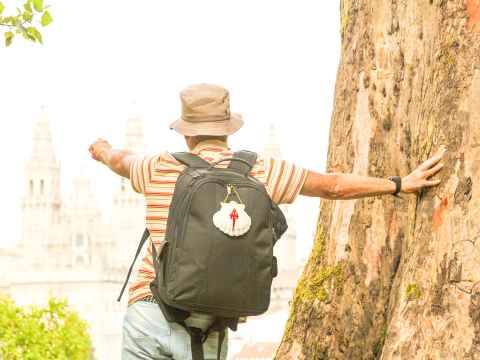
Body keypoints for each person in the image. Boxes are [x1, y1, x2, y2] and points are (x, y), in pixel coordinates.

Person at [89, 83, 446, 360]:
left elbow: (122, 160)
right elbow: (333, 186)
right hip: (209, 327)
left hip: (150, 314)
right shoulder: (259, 170)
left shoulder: (159, 167)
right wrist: (399, 183)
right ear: (228, 130)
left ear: (186, 133)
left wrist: (102, 151)